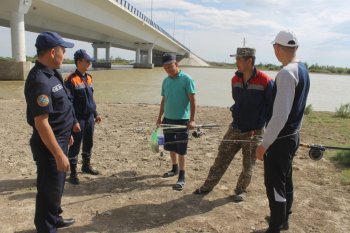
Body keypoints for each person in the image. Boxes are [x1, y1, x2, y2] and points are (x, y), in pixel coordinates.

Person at [193, 47, 274, 202]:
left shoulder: (266, 81)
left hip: (254, 132)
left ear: (249, 61)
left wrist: (268, 137)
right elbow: (236, 100)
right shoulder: (235, 79)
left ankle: (241, 190)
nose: (236, 62)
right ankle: (207, 186)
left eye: (238, 59)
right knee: (221, 157)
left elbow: (271, 110)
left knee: (248, 165)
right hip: (235, 127)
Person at [256, 30, 310, 233]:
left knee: (274, 184)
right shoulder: (303, 69)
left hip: (280, 139)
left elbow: (280, 115)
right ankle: (283, 218)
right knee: (286, 179)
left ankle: (275, 226)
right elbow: (300, 108)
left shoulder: (287, 73)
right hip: (292, 136)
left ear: (277, 48)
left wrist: (264, 144)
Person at [24, 31, 77, 232]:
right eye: (63, 51)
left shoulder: (53, 73)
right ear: (53, 52)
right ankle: (46, 227)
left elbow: (59, 109)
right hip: (49, 146)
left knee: (57, 188)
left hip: (61, 139)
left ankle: (55, 218)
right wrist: (57, 153)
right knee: (49, 191)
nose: (65, 55)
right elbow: (41, 123)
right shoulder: (39, 80)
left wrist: (68, 132)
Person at [156, 53, 196, 191]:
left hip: (182, 120)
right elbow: (163, 100)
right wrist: (159, 118)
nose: (168, 69)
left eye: (170, 66)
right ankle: (174, 169)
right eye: (165, 67)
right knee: (170, 146)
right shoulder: (165, 81)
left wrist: (192, 120)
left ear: (176, 64)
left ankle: (182, 176)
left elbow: (193, 100)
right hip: (168, 119)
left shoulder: (187, 79)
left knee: (181, 149)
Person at [64, 49, 101, 185]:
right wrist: (74, 121)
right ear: (79, 62)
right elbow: (69, 104)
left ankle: (86, 166)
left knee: (88, 142)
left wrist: (96, 113)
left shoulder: (89, 77)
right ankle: (73, 174)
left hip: (89, 117)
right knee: (75, 146)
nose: (90, 63)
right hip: (78, 119)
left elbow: (90, 98)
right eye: (87, 61)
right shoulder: (70, 80)